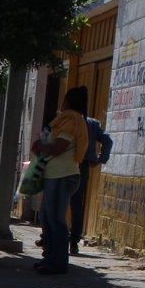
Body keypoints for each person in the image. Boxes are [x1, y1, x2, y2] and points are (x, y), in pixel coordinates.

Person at [31, 90, 88, 275]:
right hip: (53, 175)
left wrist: (41, 146)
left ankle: (58, 262)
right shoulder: (62, 120)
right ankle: (49, 257)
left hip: (63, 176)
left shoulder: (71, 121)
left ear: (68, 101)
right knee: (46, 217)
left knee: (56, 219)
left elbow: (58, 148)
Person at [68, 88, 112, 256]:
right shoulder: (92, 124)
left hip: (64, 164)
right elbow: (107, 140)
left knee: (56, 201)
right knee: (77, 204)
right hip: (83, 166)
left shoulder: (66, 120)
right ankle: (74, 241)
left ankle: (50, 236)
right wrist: (99, 158)